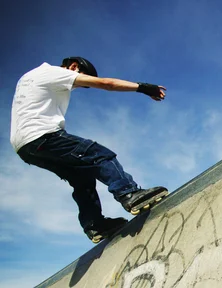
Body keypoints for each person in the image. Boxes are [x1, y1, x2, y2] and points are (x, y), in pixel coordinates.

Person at [10, 57, 169, 243]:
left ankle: (94, 225)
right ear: (74, 67)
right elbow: (107, 84)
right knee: (99, 155)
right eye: (80, 82)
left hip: (25, 148)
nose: (75, 87)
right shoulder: (54, 73)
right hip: (43, 135)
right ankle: (129, 194)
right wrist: (143, 87)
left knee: (81, 176)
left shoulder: (30, 77)